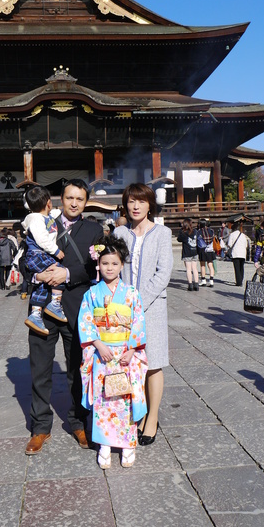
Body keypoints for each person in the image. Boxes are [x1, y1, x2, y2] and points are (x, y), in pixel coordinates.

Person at [25, 179, 103, 456]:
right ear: (60, 199)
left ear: (85, 202)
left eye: (79, 199)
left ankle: (78, 422)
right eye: (69, 197)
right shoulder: (42, 222)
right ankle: (40, 427)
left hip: (77, 307)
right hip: (43, 304)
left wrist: (67, 274)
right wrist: (38, 275)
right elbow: (26, 259)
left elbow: (97, 268)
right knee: (40, 369)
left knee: (78, 370)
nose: (73, 203)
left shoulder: (94, 229)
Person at [78, 236, 148, 469]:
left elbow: (138, 322)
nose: (110, 268)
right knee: (104, 399)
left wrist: (131, 350)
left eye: (114, 264)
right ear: (98, 264)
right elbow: (86, 321)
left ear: (121, 265)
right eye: (105, 263)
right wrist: (97, 344)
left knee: (125, 398)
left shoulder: (131, 293)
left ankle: (128, 443)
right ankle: (105, 444)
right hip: (102, 353)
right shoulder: (92, 294)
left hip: (125, 354)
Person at [115, 183, 173, 446]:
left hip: (152, 308)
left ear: (150, 204)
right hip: (123, 309)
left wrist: (139, 299)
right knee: (130, 363)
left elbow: (164, 273)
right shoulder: (118, 233)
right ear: (125, 204)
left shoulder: (162, 233)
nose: (136, 206)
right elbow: (111, 267)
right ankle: (138, 411)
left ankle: (152, 417)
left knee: (153, 362)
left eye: (141, 201)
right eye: (131, 201)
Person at [22, 185, 67, 334]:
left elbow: (53, 214)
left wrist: (59, 210)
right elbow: (42, 239)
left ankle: (35, 314)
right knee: (57, 271)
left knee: (41, 285)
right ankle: (55, 303)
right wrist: (56, 251)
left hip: (39, 255)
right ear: (48, 202)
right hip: (38, 254)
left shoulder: (44, 216)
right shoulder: (35, 220)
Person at [177, 218, 199, 291]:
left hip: (187, 252)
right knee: (195, 268)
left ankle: (190, 284)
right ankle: (196, 283)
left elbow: (179, 239)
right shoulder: (195, 231)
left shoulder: (183, 232)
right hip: (194, 251)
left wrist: (181, 230)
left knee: (188, 269)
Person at [227, 221, 251, 286]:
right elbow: (246, 245)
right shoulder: (243, 235)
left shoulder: (232, 235)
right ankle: (241, 280)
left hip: (236, 253)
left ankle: (238, 282)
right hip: (243, 253)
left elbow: (229, 244)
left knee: (237, 268)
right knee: (241, 267)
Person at [197, 219, 215, 287]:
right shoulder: (211, 230)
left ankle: (203, 280)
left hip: (203, 249)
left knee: (202, 265)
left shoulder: (199, 231)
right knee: (210, 265)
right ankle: (211, 280)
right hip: (210, 249)